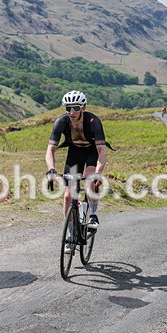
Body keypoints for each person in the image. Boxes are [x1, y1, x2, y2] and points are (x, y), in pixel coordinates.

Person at [45, 91, 111, 244]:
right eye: (68, 108)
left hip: (91, 152)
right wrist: (51, 169)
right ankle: (69, 233)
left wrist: (98, 173)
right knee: (68, 196)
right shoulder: (61, 122)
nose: (71, 112)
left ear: (83, 108)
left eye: (75, 107)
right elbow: (50, 150)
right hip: (74, 153)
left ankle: (93, 215)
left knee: (89, 181)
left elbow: (102, 151)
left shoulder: (93, 121)